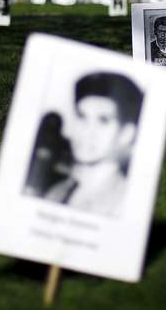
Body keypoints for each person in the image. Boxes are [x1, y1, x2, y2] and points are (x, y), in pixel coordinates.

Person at [24, 72, 143, 217]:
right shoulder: (58, 191)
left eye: (103, 121)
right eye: (82, 116)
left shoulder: (127, 202)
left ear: (126, 134)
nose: (86, 131)